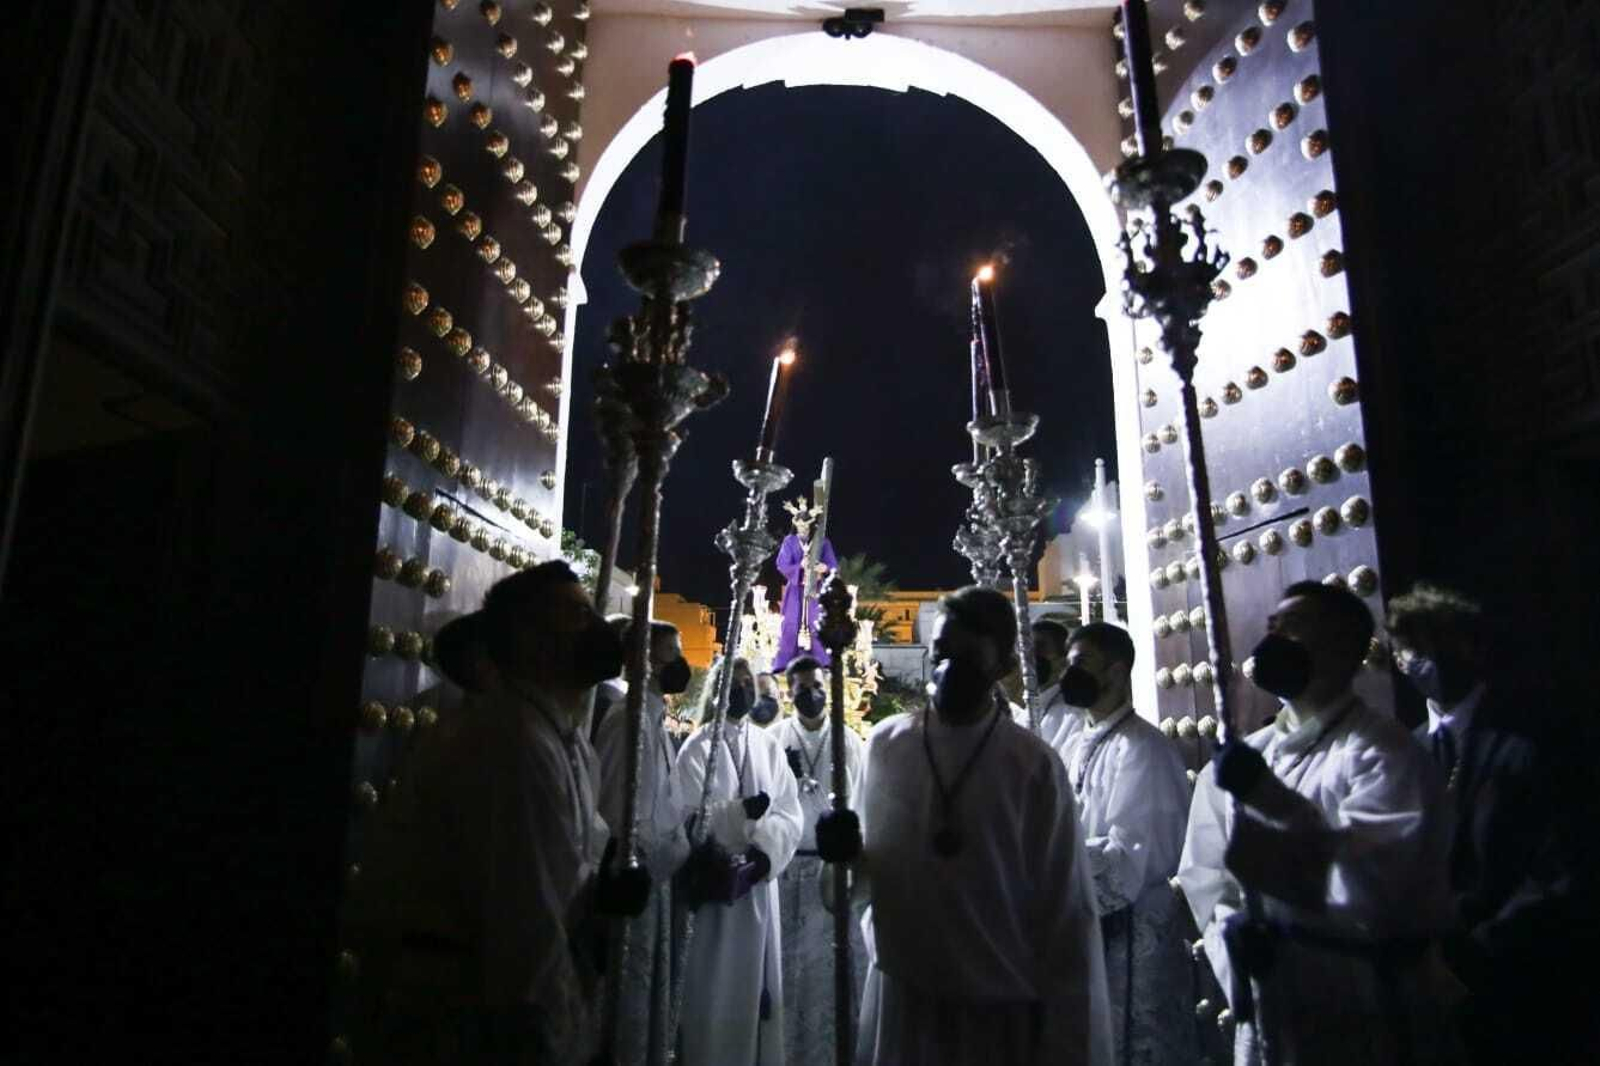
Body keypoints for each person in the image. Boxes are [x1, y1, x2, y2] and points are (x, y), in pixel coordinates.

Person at [347, 562, 642, 1065]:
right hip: (471, 1023)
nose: (596, 628)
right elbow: (527, 935)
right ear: (529, 639)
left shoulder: (561, 740)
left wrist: (600, 891)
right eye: (577, 615)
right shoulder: (515, 741)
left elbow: (566, 872)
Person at [821, 585, 1112, 1066]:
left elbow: (1065, 913)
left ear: (1002, 664)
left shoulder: (1033, 765)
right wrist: (843, 854)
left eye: (968, 656)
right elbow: (858, 884)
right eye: (940, 652)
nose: (948, 668)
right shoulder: (887, 746)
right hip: (902, 1004)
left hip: (995, 1014)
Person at [1178, 581, 1458, 1065]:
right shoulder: (1248, 757)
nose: (1276, 640)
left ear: (1344, 649)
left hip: (1360, 1001)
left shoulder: (1381, 753)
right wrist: (1238, 950)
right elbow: (1207, 878)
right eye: (1273, 627)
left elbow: (1377, 883)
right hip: (1271, 1007)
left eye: (1295, 628)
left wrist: (1273, 802)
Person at [1387, 584, 1594, 1063]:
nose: (1423, 660)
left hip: (1523, 979)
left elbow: (1561, 869)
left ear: (1470, 647)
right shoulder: (1405, 749)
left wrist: (1474, 957)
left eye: (1433, 643)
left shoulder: (1534, 738)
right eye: (1409, 649)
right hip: (1429, 982)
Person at [1054, 623, 1193, 1066]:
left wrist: (1052, 865)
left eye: (1080, 664)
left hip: (1132, 938)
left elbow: (1132, 856)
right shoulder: (1079, 738)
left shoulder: (1142, 748)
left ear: (1115, 672)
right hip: (1089, 934)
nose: (1067, 674)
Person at [671, 655, 804, 1065]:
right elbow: (688, 818)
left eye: (749, 682)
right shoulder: (698, 747)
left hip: (759, 891)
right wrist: (738, 814)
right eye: (735, 682)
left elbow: (789, 810)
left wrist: (764, 856)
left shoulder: (766, 745)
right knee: (717, 994)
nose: (744, 690)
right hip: (716, 899)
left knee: (757, 996)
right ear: (719, 688)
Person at [592, 620, 693, 1066]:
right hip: (636, 880)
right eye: (671, 652)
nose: (680, 662)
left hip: (657, 880)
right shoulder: (626, 718)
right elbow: (617, 806)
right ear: (646, 660)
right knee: (630, 992)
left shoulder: (652, 714)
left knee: (650, 991)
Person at [773, 655, 867, 1066]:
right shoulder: (775, 739)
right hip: (790, 869)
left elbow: (864, 801)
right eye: (802, 687)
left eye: (817, 686)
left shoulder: (850, 741)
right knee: (791, 970)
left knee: (832, 972)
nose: (811, 694)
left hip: (834, 874)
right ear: (788, 690)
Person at [774, 496, 838, 671]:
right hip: (795, 589)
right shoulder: (789, 542)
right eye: (800, 526)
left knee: (816, 622)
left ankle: (822, 661)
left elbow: (832, 566)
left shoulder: (822, 542)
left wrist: (823, 568)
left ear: (811, 525)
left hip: (815, 590)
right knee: (791, 623)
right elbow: (782, 565)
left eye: (806, 525)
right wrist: (799, 566)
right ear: (795, 525)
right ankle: (785, 662)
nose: (803, 529)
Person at [1032, 616, 1084, 752]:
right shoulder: (1027, 707)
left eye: (1040, 647)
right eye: (1026, 647)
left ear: (1062, 661)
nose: (1031, 656)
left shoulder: (1073, 713)